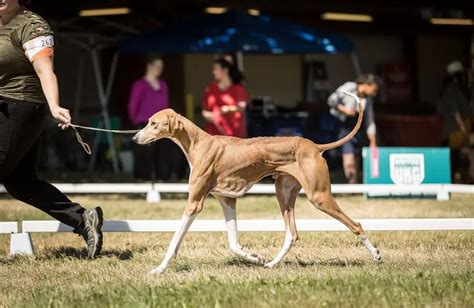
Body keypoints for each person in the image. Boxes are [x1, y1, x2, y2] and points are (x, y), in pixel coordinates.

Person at [0, 0, 103, 258]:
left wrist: (55, 106)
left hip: (22, 107)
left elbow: (46, 72)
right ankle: (83, 219)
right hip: (3, 107)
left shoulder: (32, 25)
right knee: (21, 183)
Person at [327, 74, 382, 183]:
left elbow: (369, 120)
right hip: (344, 125)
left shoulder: (368, 99)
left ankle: (353, 184)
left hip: (357, 126)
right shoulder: (350, 87)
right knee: (349, 156)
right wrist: (343, 109)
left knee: (356, 156)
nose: (374, 93)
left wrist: (373, 141)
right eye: (374, 89)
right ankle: (351, 182)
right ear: (367, 84)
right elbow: (331, 100)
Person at [128, 55, 174, 180]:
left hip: (161, 125)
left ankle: (163, 179)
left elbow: (166, 106)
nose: (159, 69)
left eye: (161, 67)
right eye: (157, 66)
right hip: (144, 123)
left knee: (163, 153)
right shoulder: (139, 85)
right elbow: (132, 106)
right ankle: (143, 180)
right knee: (144, 153)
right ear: (149, 66)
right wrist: (137, 122)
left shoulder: (163, 85)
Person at [436, 61, 473, 182]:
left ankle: (458, 176)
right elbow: (454, 110)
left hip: (457, 127)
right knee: (454, 153)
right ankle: (453, 177)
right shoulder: (451, 88)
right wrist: (463, 128)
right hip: (454, 127)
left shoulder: (455, 88)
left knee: (457, 153)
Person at [202, 57, 249, 138]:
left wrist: (227, 109)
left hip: (235, 137)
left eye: (216, 68)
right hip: (214, 137)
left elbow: (241, 107)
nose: (213, 72)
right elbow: (204, 110)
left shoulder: (238, 89)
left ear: (225, 70)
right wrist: (206, 115)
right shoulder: (210, 89)